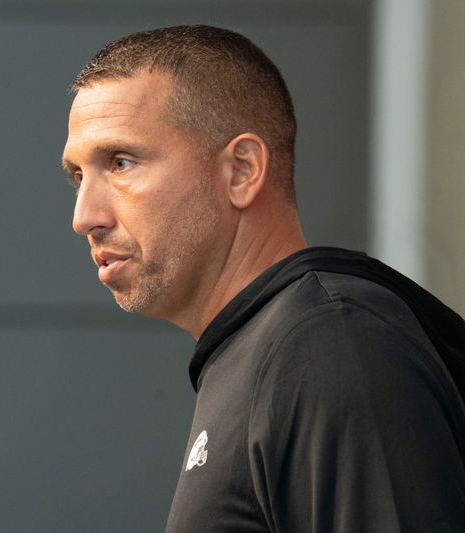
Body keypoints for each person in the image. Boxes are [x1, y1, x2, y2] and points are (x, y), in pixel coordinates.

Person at [61, 25, 465, 532]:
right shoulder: (268, 346)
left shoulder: (329, 341)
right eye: (77, 176)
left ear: (242, 171)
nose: (84, 216)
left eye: (120, 162)